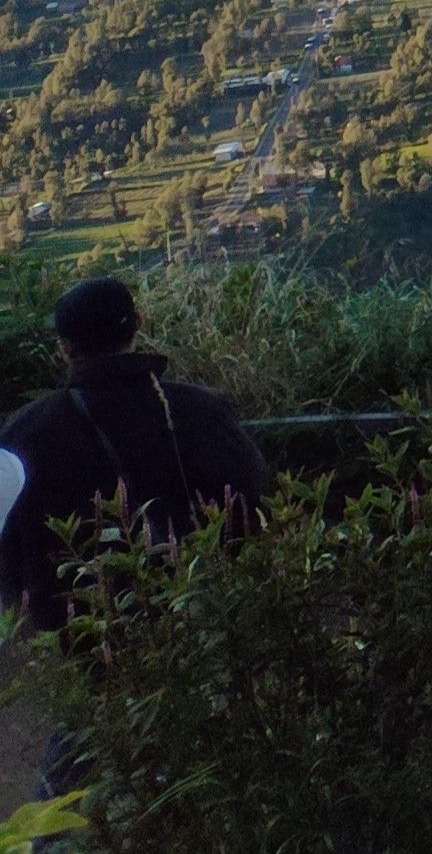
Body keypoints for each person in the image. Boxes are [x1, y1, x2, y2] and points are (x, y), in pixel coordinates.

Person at [0, 274, 269, 646]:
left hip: (84, 639)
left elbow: (9, 548)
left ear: (64, 347)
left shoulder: (24, 433)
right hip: (200, 621)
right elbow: (251, 501)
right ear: (138, 323)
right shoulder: (202, 409)